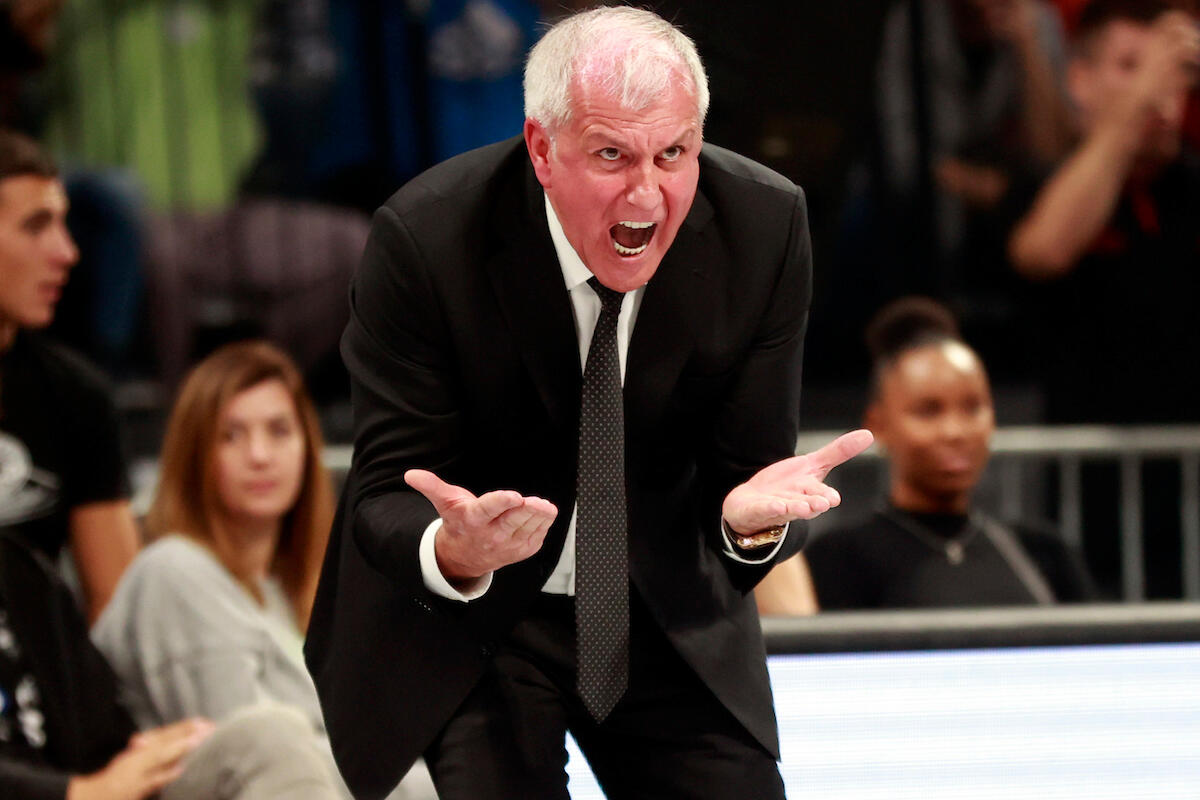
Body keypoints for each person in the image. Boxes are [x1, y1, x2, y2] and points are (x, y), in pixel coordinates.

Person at [305, 7, 872, 799]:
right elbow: (383, 491)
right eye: (613, 155)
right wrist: (455, 550)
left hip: (660, 601)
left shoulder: (762, 226)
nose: (648, 193)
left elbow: (750, 473)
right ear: (542, 149)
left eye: (673, 154)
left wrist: (750, 525)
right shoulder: (428, 238)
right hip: (477, 618)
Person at [90, 340, 436, 800]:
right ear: (195, 454)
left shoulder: (296, 591)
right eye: (230, 435)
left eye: (278, 431)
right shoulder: (174, 571)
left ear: (307, 446)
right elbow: (263, 763)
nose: (259, 455)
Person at [1007, 0, 1200, 597]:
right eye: (1131, 66)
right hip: (1091, 508)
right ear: (1081, 80)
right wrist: (1130, 115)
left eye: (1171, 70)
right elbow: (1043, 251)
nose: (1157, 87)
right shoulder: (1045, 179)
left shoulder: (1188, 186)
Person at [0, 530, 345, 800]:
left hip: (87, 783)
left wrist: (140, 749)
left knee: (268, 736)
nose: (260, 463)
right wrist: (72, 792)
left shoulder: (19, 569)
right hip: (63, 791)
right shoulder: (175, 569)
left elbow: (95, 729)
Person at [806, 297, 1095, 609]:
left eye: (972, 408)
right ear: (879, 425)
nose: (954, 432)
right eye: (928, 411)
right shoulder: (838, 559)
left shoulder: (1043, 552)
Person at [0, 127, 138, 623]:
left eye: (63, 224)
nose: (67, 252)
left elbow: (118, 613)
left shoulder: (78, 397)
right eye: (37, 226)